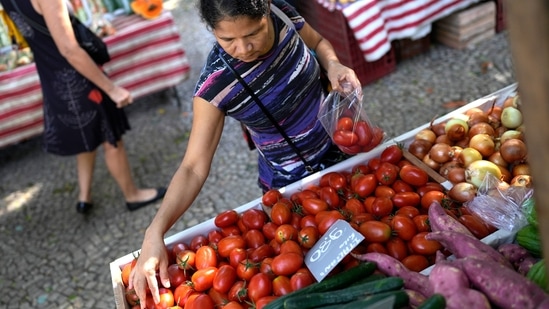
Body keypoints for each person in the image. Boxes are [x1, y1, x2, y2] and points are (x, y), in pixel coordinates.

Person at [129, 0, 361, 306]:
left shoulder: (282, 12)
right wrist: (154, 232)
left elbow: (317, 42)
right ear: (212, 31)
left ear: (267, 12)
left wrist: (332, 64)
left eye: (253, 33)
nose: (243, 48)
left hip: (348, 152)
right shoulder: (216, 85)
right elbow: (193, 167)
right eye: (227, 40)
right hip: (296, 190)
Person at [0, 0, 166, 213]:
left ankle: (84, 197)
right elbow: (69, 49)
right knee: (111, 138)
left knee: (87, 132)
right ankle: (132, 195)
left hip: (51, 77)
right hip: (79, 79)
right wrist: (111, 89)